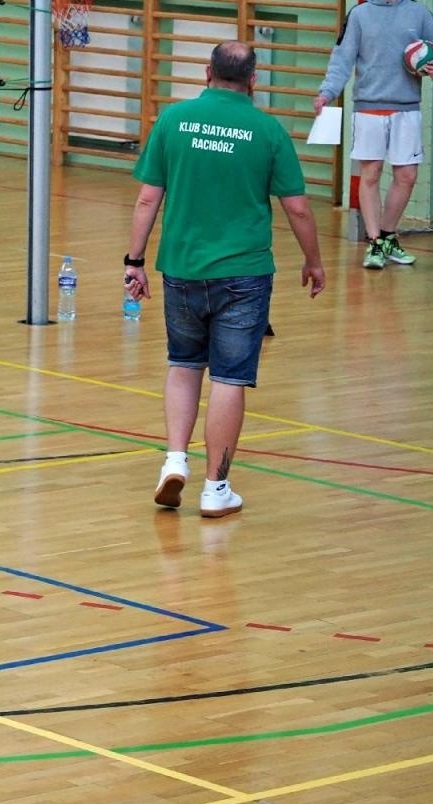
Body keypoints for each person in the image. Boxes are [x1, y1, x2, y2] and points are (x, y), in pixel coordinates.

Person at [125, 41, 325, 518]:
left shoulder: (173, 120)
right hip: (244, 274)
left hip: (181, 268)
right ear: (253, 80)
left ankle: (175, 460)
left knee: (183, 365)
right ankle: (216, 489)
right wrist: (313, 261)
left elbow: (148, 199)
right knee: (229, 379)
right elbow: (297, 208)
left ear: (206, 72)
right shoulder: (269, 130)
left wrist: (134, 261)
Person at [314, 0, 433, 269]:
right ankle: (374, 243)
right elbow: (342, 59)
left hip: (407, 109)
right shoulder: (359, 14)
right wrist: (327, 92)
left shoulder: (420, 13)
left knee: (407, 176)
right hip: (369, 109)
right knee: (371, 174)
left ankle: (388, 236)